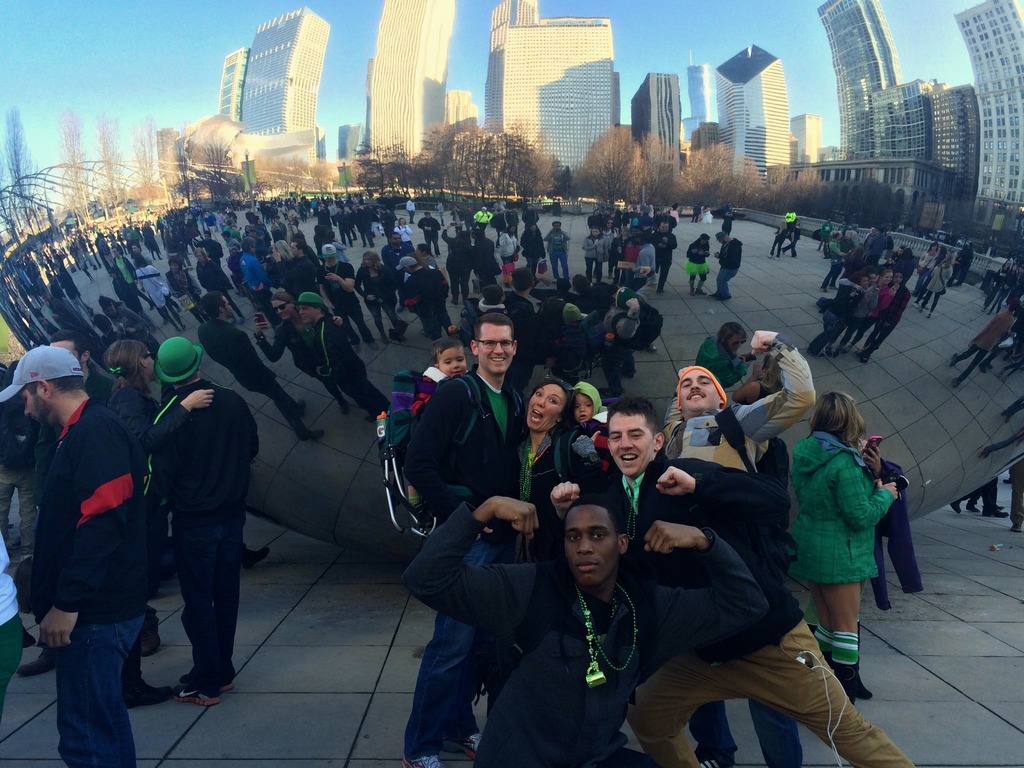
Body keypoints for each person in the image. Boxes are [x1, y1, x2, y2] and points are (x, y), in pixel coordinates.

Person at [580, 398, 914, 768]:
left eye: (635, 434)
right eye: (616, 436)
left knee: (848, 732)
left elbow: (775, 501)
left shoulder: (684, 474)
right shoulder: (615, 500)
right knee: (647, 717)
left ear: (657, 441)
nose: (625, 444)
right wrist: (562, 511)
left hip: (768, 644)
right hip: (701, 653)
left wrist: (700, 486)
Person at [404, 490, 768, 768]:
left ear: (621, 544)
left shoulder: (648, 607)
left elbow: (747, 604)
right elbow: (425, 580)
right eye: (573, 537)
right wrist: (482, 510)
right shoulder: (529, 589)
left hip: (595, 756)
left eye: (597, 535)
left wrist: (705, 542)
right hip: (518, 758)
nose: (584, 547)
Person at [1, 345, 148, 764]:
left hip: (95, 613)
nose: (25, 410)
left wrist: (67, 604)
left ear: (44, 388)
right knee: (103, 720)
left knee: (85, 735)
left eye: (26, 397)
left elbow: (103, 522)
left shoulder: (95, 431)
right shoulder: (83, 428)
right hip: (97, 607)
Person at [401, 313, 524, 768]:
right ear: (475, 348)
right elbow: (419, 464)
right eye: (489, 343)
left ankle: (456, 726)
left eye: (505, 343)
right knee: (450, 646)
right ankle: (420, 746)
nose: (498, 350)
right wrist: (465, 520)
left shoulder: (512, 396)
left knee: (477, 646)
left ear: (515, 347)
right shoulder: (456, 393)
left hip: (502, 541)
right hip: (470, 542)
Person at [104, 340, 216, 708]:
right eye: (149, 356)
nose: (154, 361)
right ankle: (129, 682)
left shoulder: (136, 396)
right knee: (137, 586)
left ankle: (130, 677)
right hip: (142, 506)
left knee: (145, 578)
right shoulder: (127, 400)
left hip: (150, 504)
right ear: (140, 362)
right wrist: (185, 406)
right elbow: (144, 441)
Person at [148, 337, 258, 706]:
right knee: (226, 597)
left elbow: (158, 464)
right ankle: (221, 671)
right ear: (197, 363)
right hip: (232, 514)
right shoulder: (232, 398)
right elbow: (252, 447)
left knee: (198, 603)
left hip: (194, 521)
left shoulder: (172, 412)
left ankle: (206, 682)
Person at [790, 392, 898, 700]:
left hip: (813, 548)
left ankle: (818, 685)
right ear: (849, 419)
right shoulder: (844, 462)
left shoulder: (806, 452)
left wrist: (868, 469)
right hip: (842, 553)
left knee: (824, 622)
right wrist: (885, 494)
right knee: (846, 627)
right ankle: (844, 693)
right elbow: (860, 516)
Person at [197, 291, 321, 441]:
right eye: (227, 303)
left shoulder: (202, 330)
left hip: (241, 376)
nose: (230, 305)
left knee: (279, 394)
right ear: (221, 309)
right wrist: (260, 336)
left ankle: (297, 407)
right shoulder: (236, 335)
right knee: (280, 400)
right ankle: (302, 432)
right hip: (258, 377)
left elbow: (215, 355)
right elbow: (253, 362)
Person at [294, 292, 390, 421]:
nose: (300, 312)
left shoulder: (323, 333)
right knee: (371, 393)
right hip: (354, 368)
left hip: (347, 376)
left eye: (305, 308)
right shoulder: (329, 321)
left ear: (318, 309)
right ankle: (382, 412)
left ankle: (384, 419)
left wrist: (322, 371)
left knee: (366, 398)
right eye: (299, 309)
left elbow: (332, 363)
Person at [254, 291, 350, 414]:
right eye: (275, 309)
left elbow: (325, 320)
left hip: (330, 356)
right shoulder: (282, 330)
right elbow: (273, 356)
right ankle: (341, 401)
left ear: (293, 304)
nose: (279, 311)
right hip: (313, 365)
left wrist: (337, 321)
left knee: (343, 379)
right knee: (329, 383)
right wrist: (260, 336)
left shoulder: (307, 313)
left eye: (282, 307)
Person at [318, 244, 376, 348]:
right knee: (345, 325)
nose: (329, 259)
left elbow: (349, 288)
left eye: (331, 256)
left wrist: (339, 279)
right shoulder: (320, 270)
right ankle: (354, 341)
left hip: (351, 302)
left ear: (336, 255)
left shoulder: (346, 267)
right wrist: (328, 303)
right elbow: (322, 288)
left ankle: (369, 339)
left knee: (360, 322)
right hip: (336, 304)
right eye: (327, 257)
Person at [949, 300, 1019, 387]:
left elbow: (987, 328)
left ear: (1009, 304)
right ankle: (959, 380)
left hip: (984, 338)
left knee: (967, 354)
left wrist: (975, 338)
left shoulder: (1000, 315)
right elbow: (1004, 333)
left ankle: (955, 360)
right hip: (991, 343)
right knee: (974, 363)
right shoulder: (1011, 320)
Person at [355, 250, 407, 343]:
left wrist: (385, 295)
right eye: (365, 259)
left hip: (386, 298)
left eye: (368, 259)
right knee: (377, 318)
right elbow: (357, 285)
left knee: (392, 316)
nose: (366, 261)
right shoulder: (362, 270)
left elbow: (394, 284)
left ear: (374, 260)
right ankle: (382, 335)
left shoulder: (383, 269)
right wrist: (365, 296)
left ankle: (398, 333)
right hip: (371, 299)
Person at [858, 271, 910, 363]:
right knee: (874, 334)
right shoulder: (888, 287)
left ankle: (868, 353)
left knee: (880, 338)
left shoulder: (905, 292)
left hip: (892, 319)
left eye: (900, 278)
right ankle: (864, 349)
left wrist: (890, 320)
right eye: (895, 277)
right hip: (882, 315)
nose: (898, 279)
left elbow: (901, 309)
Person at [400, 256, 449, 340]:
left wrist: (417, 311)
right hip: (440, 305)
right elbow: (445, 286)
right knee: (447, 323)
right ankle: (456, 338)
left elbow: (411, 302)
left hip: (427, 310)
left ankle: (439, 344)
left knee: (435, 331)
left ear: (407, 268)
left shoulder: (410, 282)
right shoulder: (436, 272)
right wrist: (443, 297)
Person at [134, 253, 185, 331]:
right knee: (171, 308)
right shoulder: (151, 268)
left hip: (153, 294)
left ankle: (176, 327)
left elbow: (141, 283)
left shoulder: (137, 272)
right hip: (161, 291)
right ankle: (181, 324)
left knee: (165, 312)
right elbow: (159, 277)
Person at [695, 322, 754, 389]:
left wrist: (733, 358)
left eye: (742, 342)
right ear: (725, 340)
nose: (739, 345)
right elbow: (727, 381)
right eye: (735, 342)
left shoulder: (710, 341)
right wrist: (743, 367)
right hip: (710, 387)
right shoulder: (721, 360)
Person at [239, 237, 280, 327]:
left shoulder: (242, 258)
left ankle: (273, 325)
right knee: (271, 308)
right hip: (261, 288)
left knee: (265, 309)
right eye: (254, 246)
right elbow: (262, 278)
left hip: (253, 288)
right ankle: (277, 324)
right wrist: (272, 284)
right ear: (250, 247)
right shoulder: (253, 260)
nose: (255, 248)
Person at [710, 231, 741, 301]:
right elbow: (725, 254)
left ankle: (725, 295)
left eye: (720, 240)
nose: (719, 242)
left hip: (730, 267)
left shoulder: (734, 246)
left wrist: (720, 257)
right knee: (719, 279)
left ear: (724, 238)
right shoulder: (726, 244)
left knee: (722, 280)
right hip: (725, 265)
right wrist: (720, 256)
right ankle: (719, 292)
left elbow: (732, 258)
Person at [651, 220, 679, 293]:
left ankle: (660, 288)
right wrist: (658, 245)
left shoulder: (671, 236)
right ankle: (651, 286)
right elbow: (651, 244)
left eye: (666, 227)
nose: (664, 228)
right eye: (663, 227)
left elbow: (674, 246)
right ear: (659, 227)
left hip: (666, 258)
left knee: (664, 274)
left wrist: (667, 242)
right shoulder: (654, 235)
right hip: (656, 257)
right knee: (653, 274)